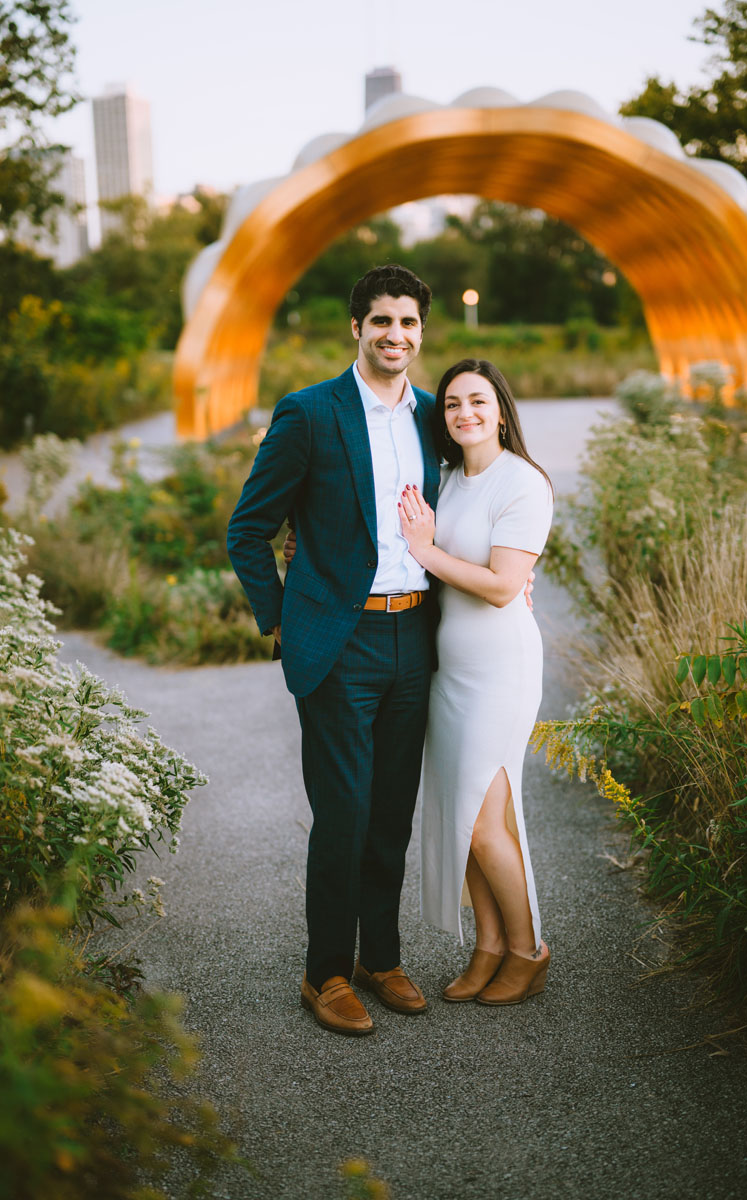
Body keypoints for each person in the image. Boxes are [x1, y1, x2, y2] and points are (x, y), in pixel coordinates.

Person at [227, 265, 440, 1036]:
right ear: (356, 327)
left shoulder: (433, 416)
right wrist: (284, 618)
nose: (396, 336)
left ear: (421, 330)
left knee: (391, 815)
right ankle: (326, 974)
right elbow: (248, 529)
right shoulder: (311, 413)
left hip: (415, 632)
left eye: (409, 323)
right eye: (381, 321)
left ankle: (380, 959)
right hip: (339, 641)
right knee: (345, 813)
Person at [397, 358, 553, 1005]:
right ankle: (486, 946)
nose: (464, 413)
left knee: (489, 826)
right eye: (454, 404)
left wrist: (427, 552)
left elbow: (500, 587)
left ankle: (527, 951)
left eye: (477, 401)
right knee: (462, 819)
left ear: (501, 410)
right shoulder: (449, 478)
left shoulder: (524, 484)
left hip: (500, 670)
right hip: (450, 671)